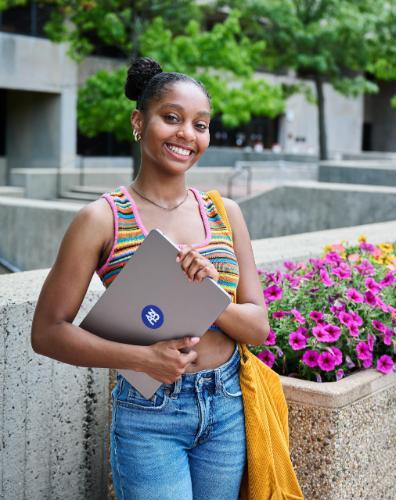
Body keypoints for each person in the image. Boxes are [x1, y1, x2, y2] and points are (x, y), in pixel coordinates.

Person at [31, 56, 270, 500]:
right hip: (150, 415)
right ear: (139, 121)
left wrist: (211, 293)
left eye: (201, 125)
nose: (187, 134)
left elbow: (258, 328)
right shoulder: (101, 219)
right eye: (172, 118)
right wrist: (145, 360)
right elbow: (47, 333)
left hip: (226, 406)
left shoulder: (224, 213)